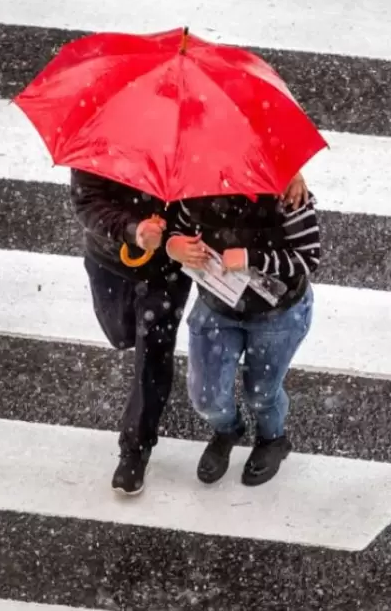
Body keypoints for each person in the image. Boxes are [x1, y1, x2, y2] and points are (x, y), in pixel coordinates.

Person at [71, 168, 310, 495]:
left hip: (199, 283)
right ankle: (226, 428)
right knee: (133, 343)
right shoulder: (104, 134)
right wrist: (145, 234)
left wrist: (289, 172)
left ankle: (138, 448)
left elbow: (307, 254)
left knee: (160, 351)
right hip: (128, 265)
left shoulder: (219, 162)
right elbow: (89, 203)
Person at [166, 184, 320, 487]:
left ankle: (272, 438)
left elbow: (308, 258)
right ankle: (228, 429)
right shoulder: (194, 186)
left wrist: (252, 257)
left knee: (262, 392)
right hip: (217, 305)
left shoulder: (285, 190)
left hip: (277, 313)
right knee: (206, 396)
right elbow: (177, 230)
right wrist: (175, 246)